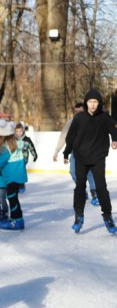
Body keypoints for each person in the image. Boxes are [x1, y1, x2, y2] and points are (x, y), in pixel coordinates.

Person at [62, 89, 117, 234]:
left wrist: (115, 140)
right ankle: (78, 216)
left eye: (95, 102)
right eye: (90, 102)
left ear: (99, 103)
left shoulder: (104, 117)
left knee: (101, 188)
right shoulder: (79, 118)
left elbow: (113, 129)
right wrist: (66, 152)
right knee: (80, 187)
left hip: (98, 157)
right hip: (81, 157)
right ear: (86, 103)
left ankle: (108, 217)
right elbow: (71, 137)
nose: (92, 105)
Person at [53, 102, 97, 205]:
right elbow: (64, 137)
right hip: (75, 152)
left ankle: (94, 194)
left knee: (90, 172)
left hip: (90, 152)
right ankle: (82, 189)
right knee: (73, 172)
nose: (77, 114)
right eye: (76, 112)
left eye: (80, 111)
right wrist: (57, 151)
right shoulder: (71, 122)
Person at [14, 123, 37, 193]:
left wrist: (35, 155)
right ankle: (16, 185)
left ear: (23, 131)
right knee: (15, 172)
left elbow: (31, 148)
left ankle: (21, 185)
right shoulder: (13, 139)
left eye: (20, 131)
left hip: (24, 159)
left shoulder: (27, 139)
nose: (19, 133)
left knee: (21, 172)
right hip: (15, 159)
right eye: (17, 131)